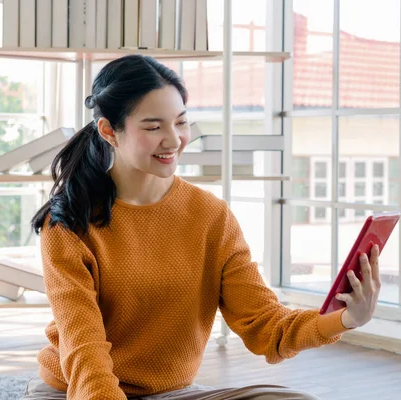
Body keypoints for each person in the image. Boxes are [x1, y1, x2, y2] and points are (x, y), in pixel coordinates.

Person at [22, 54, 382, 400]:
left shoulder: (210, 215)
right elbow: (85, 353)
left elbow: (266, 327)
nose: (174, 139)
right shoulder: (69, 222)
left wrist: (345, 318)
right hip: (77, 391)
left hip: (170, 393)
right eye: (153, 126)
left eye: (180, 122)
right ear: (108, 131)